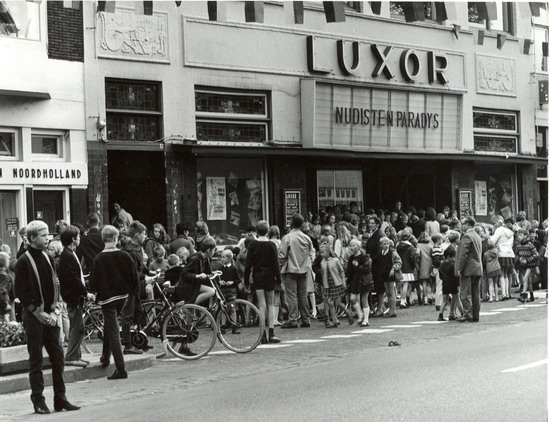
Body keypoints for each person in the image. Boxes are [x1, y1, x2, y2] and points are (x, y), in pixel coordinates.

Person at [14, 220, 80, 414]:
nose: (48, 238)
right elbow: (21, 292)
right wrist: (38, 312)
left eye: (47, 234)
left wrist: (55, 311)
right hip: (35, 318)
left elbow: (55, 285)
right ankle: (38, 401)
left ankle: (60, 399)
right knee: (36, 360)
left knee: (58, 358)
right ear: (32, 238)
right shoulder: (23, 261)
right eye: (43, 235)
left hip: (51, 316)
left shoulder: (48, 257)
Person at [89, 225, 139, 380]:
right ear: (116, 238)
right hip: (123, 296)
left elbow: (93, 283)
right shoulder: (125, 255)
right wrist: (131, 292)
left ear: (103, 239)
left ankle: (120, 368)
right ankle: (105, 356)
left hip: (107, 298)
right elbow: (134, 277)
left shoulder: (99, 258)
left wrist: (96, 291)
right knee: (109, 325)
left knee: (113, 331)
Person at [244, 221, 282, 343]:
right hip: (270, 276)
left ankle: (262, 334)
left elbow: (248, 265)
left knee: (261, 304)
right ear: (267, 231)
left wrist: (245, 281)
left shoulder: (252, 245)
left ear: (257, 230)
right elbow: (276, 265)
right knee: (270, 304)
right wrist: (279, 279)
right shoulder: (271, 245)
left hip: (258, 276)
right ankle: (271, 332)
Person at [58, 226, 90, 368]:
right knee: (77, 327)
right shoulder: (67, 255)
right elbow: (73, 278)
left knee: (78, 326)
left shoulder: (70, 253)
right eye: (78, 236)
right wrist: (85, 292)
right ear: (73, 239)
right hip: (73, 296)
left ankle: (76, 355)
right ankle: (71, 356)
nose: (80, 238)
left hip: (75, 296)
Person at [278, 214, 316, 329]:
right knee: (303, 295)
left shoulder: (287, 238)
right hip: (304, 270)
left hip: (290, 269)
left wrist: (281, 266)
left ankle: (293, 319)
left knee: (292, 296)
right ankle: (306, 318)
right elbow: (311, 253)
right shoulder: (306, 238)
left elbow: (282, 255)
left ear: (291, 223)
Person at [121, 221, 151, 354]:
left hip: (136, 287)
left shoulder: (137, 248)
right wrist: (145, 277)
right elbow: (132, 273)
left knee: (138, 312)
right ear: (137, 235)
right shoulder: (130, 251)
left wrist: (150, 272)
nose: (145, 237)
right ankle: (127, 345)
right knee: (127, 315)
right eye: (144, 234)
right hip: (129, 288)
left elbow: (141, 267)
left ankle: (138, 340)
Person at [455, 216, 483, 323]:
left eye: (463, 224)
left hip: (468, 268)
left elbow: (463, 255)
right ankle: (476, 314)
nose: (462, 226)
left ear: (467, 224)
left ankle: (468, 314)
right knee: (476, 292)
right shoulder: (477, 235)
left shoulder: (467, 236)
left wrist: (459, 268)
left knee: (465, 293)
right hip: (477, 267)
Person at [318, 243, 352, 328]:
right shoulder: (322, 263)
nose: (321, 254)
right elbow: (323, 274)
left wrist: (343, 281)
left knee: (338, 303)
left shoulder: (335, 260)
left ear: (328, 252)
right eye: (320, 252)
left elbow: (341, 271)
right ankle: (334, 321)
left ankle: (347, 312)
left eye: (323, 252)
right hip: (327, 285)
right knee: (330, 303)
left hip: (336, 284)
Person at [176, 237, 216, 305]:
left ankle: (191, 306)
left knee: (212, 290)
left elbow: (208, 273)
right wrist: (197, 276)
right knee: (211, 291)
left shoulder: (206, 259)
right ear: (209, 250)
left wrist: (214, 273)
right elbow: (183, 273)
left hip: (195, 285)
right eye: (214, 250)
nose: (214, 252)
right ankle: (189, 305)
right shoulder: (195, 259)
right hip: (187, 286)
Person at [346, 238, 373, 326]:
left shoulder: (364, 256)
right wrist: (347, 281)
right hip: (355, 280)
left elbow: (367, 269)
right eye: (350, 245)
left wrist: (358, 266)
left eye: (353, 245)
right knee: (353, 298)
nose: (351, 247)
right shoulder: (351, 258)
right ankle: (360, 314)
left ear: (358, 246)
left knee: (364, 299)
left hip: (364, 280)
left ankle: (366, 320)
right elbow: (349, 271)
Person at [372, 237, 401, 318]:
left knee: (391, 292)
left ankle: (393, 311)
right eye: (384, 244)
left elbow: (399, 262)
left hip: (390, 274)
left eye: (387, 244)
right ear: (381, 245)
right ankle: (390, 310)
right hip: (383, 274)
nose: (386, 245)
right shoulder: (380, 253)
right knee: (387, 292)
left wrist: (393, 268)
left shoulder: (392, 253)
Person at [491, 216, 515, 301]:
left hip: (501, 253)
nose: (494, 225)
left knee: (501, 274)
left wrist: (489, 237)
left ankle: (504, 294)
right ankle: (508, 293)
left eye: (494, 223)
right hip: (509, 254)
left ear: (497, 222)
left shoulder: (499, 230)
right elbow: (511, 244)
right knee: (507, 275)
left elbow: (492, 241)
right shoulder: (510, 231)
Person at [514, 228, 539, 303]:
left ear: (525, 236)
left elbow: (536, 254)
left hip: (530, 264)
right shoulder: (518, 245)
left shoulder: (530, 244)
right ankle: (531, 296)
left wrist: (527, 260)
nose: (519, 237)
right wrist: (519, 259)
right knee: (528, 281)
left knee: (525, 279)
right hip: (523, 265)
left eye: (521, 235)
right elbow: (517, 254)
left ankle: (523, 295)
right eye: (518, 235)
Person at [438, 247, 460, 321]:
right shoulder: (452, 265)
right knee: (457, 299)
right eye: (453, 257)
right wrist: (458, 283)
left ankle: (440, 315)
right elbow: (455, 276)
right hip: (452, 283)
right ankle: (463, 313)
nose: (454, 259)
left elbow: (440, 276)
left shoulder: (441, 265)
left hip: (445, 283)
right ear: (449, 257)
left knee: (444, 301)